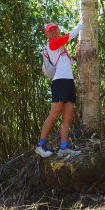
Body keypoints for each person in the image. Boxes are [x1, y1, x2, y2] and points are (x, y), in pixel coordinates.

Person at [35, 21, 83, 158]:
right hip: (59, 82)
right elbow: (68, 37)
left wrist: (76, 55)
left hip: (69, 82)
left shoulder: (61, 48)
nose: (54, 32)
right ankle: (40, 145)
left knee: (68, 117)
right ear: (47, 34)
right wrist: (79, 26)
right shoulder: (52, 44)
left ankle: (63, 147)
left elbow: (67, 63)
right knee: (55, 114)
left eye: (56, 29)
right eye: (51, 31)